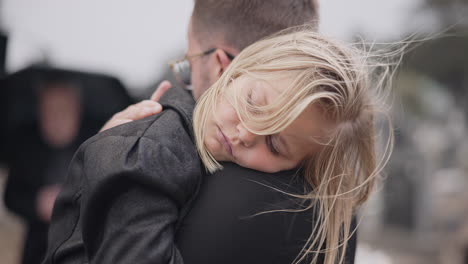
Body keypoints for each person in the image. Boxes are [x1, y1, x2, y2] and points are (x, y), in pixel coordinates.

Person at [44, 1, 362, 263]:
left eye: (275, 145)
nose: (246, 134)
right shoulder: (148, 152)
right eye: (253, 104)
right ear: (232, 71)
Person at [1, 66, 132, 264]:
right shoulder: (27, 143)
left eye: (62, 109)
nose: (56, 118)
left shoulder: (99, 138)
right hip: (39, 247)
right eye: (49, 110)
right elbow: (12, 196)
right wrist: (37, 203)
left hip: (88, 246)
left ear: (76, 107)